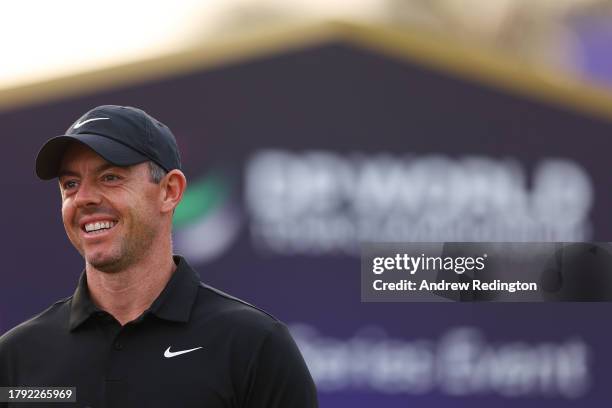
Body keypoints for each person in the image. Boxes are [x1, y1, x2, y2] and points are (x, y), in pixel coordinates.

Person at [0, 105, 318, 408]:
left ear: (170, 191)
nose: (83, 198)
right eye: (70, 184)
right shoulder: (16, 355)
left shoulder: (254, 346)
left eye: (110, 177)